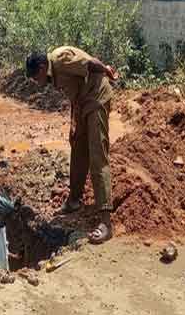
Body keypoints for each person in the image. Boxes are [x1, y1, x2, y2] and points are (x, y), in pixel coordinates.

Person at [26, 47, 119, 244]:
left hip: (96, 98)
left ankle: (105, 221)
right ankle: (74, 201)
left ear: (42, 67)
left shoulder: (61, 59)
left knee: (97, 155)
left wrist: (107, 70)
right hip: (82, 102)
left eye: (36, 77)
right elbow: (74, 88)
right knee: (77, 148)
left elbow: (92, 63)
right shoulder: (52, 72)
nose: (36, 82)